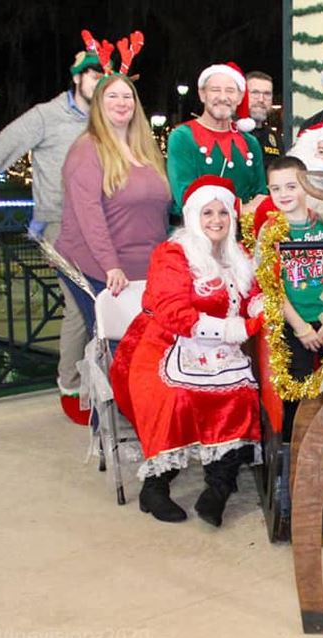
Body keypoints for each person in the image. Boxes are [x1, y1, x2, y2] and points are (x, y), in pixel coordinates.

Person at [0, 48, 104, 425]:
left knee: (107, 304)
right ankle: (71, 385)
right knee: (80, 306)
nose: (98, 82)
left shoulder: (110, 116)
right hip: (61, 223)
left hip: (106, 225)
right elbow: (5, 145)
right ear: (77, 78)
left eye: (104, 76)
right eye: (92, 75)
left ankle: (104, 383)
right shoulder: (48, 115)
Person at [110, 176, 265, 526]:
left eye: (223, 213)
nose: (216, 220)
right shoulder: (172, 254)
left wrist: (259, 309)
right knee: (175, 397)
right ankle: (155, 487)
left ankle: (219, 488)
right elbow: (172, 313)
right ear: (193, 216)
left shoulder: (237, 253)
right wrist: (234, 329)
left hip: (221, 348)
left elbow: (253, 294)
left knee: (241, 395)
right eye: (207, 213)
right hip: (162, 343)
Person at [55, 73, 170, 335]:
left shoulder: (146, 150)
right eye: (113, 96)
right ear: (98, 103)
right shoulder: (86, 150)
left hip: (145, 270)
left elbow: (159, 213)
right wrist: (110, 265)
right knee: (116, 348)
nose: (121, 102)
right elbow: (89, 215)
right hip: (102, 271)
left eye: (127, 96)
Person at [258, 156, 323, 440]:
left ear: (307, 185)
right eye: (276, 189)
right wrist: (300, 327)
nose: (284, 194)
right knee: (295, 390)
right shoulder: (270, 232)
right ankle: (294, 446)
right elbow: (271, 286)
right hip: (293, 321)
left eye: (291, 186)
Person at [166, 62, 267, 217]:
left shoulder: (250, 143)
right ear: (202, 94)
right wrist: (241, 209)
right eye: (215, 90)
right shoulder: (182, 137)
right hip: (196, 236)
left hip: (242, 237)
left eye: (230, 91)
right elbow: (185, 195)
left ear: (240, 97)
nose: (222, 97)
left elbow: (260, 197)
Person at [245, 70, 281, 170]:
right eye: (255, 93)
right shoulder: (230, 131)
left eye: (267, 94)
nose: (261, 99)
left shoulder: (274, 137)